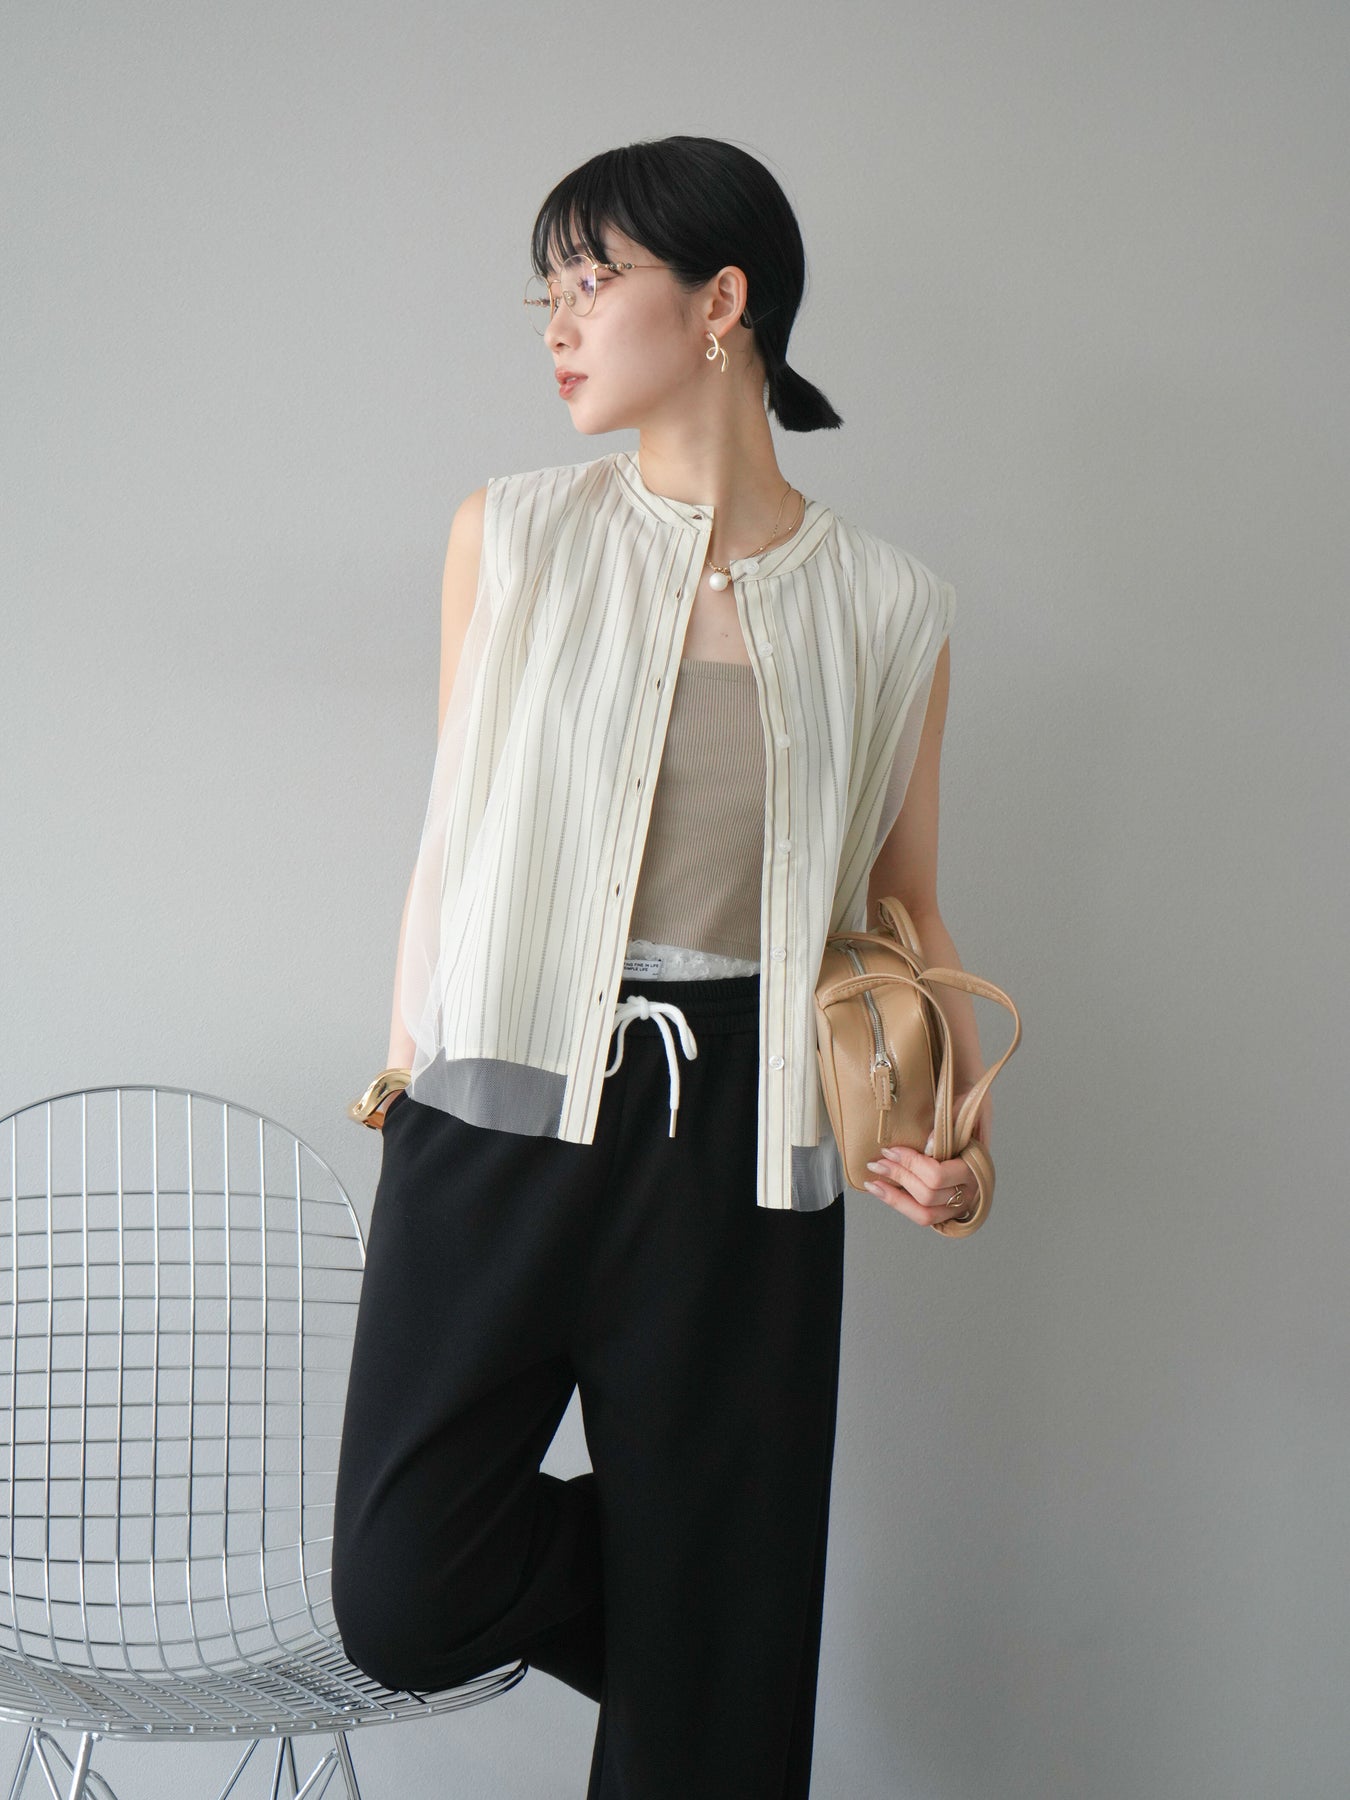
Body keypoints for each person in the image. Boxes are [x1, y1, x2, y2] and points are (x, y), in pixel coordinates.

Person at [331, 134, 992, 1799]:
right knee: (406, 1591)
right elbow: (451, 834)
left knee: (703, 1753)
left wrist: (955, 1132)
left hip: (740, 1142)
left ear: (718, 303)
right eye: (544, 294)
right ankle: (716, 1628)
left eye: (590, 279)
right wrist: (409, 1064)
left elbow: (905, 909)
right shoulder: (509, 535)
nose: (555, 324)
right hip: (494, 1107)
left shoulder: (889, 606)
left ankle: (717, 1657)